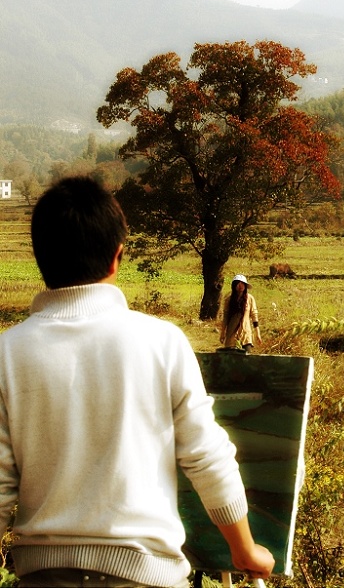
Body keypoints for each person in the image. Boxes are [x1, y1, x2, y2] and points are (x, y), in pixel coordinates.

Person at [0, 177, 274, 588]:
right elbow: (207, 456)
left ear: (40, 260)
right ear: (117, 257)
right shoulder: (162, 341)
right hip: (147, 576)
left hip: (43, 576)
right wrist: (244, 550)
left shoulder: (7, 352)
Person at [219, 275, 261, 353]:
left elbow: (254, 316)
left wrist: (257, 333)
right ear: (234, 286)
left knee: (246, 359)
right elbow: (225, 317)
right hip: (232, 334)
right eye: (238, 283)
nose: (240, 286)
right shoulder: (228, 299)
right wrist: (222, 333)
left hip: (246, 334)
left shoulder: (250, 299)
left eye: (242, 284)